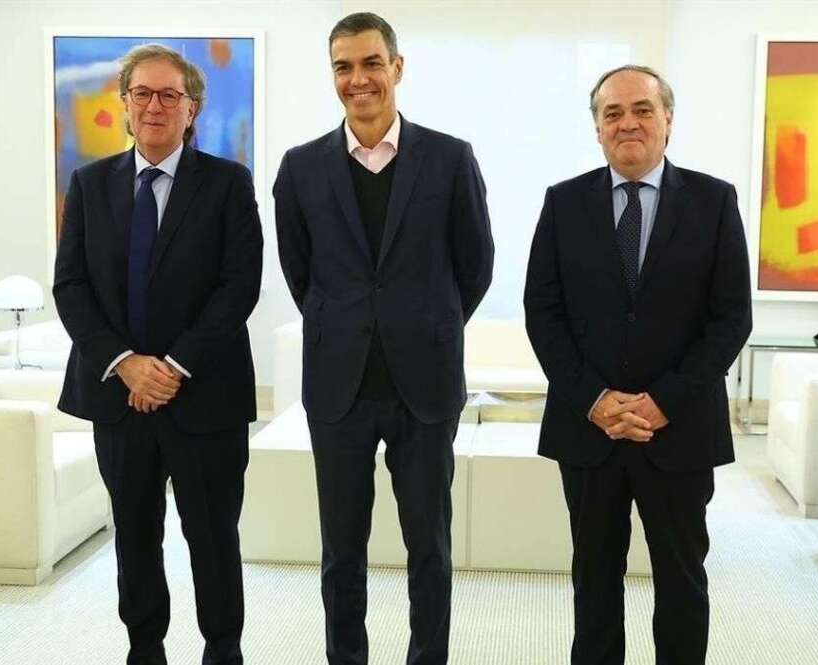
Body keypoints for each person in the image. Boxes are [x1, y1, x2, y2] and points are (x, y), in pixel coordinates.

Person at [273, 12, 494, 665]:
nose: (358, 79)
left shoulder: (450, 159)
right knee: (341, 551)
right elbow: (300, 271)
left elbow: (475, 265)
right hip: (337, 386)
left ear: (397, 67)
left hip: (424, 386)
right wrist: (346, 321)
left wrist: (427, 324)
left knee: (430, 547)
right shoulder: (301, 167)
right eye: (343, 66)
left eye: (371, 63)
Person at [523, 64, 752, 665]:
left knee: (681, 580)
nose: (628, 123)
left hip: (679, 429)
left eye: (642, 110)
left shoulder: (714, 201)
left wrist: (663, 402)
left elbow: (731, 319)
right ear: (597, 128)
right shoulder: (563, 202)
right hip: (588, 430)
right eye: (613, 113)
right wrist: (594, 400)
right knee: (593, 580)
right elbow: (543, 314)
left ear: (668, 120)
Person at [53, 43, 262, 665]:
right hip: (119, 400)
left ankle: (223, 650)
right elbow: (71, 287)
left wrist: (172, 367)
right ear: (123, 103)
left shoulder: (228, 183)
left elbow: (239, 286)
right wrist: (126, 364)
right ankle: (145, 649)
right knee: (135, 538)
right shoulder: (89, 185)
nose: (154, 106)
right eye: (142, 93)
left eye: (170, 95)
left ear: (191, 108)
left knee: (213, 539)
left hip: (206, 397)